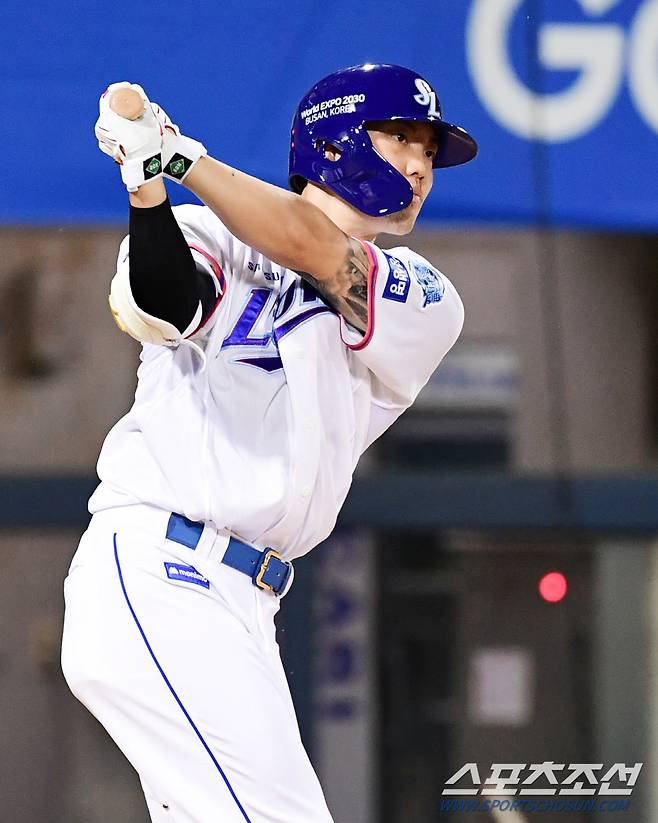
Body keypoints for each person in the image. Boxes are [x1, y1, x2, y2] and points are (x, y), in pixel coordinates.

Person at [61, 63, 477, 823]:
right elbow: (167, 300)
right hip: (163, 565)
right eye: (402, 138)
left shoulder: (425, 295)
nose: (421, 165)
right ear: (339, 139)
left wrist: (177, 154)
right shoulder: (208, 231)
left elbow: (313, 246)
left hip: (246, 602)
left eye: (430, 150)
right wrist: (147, 185)